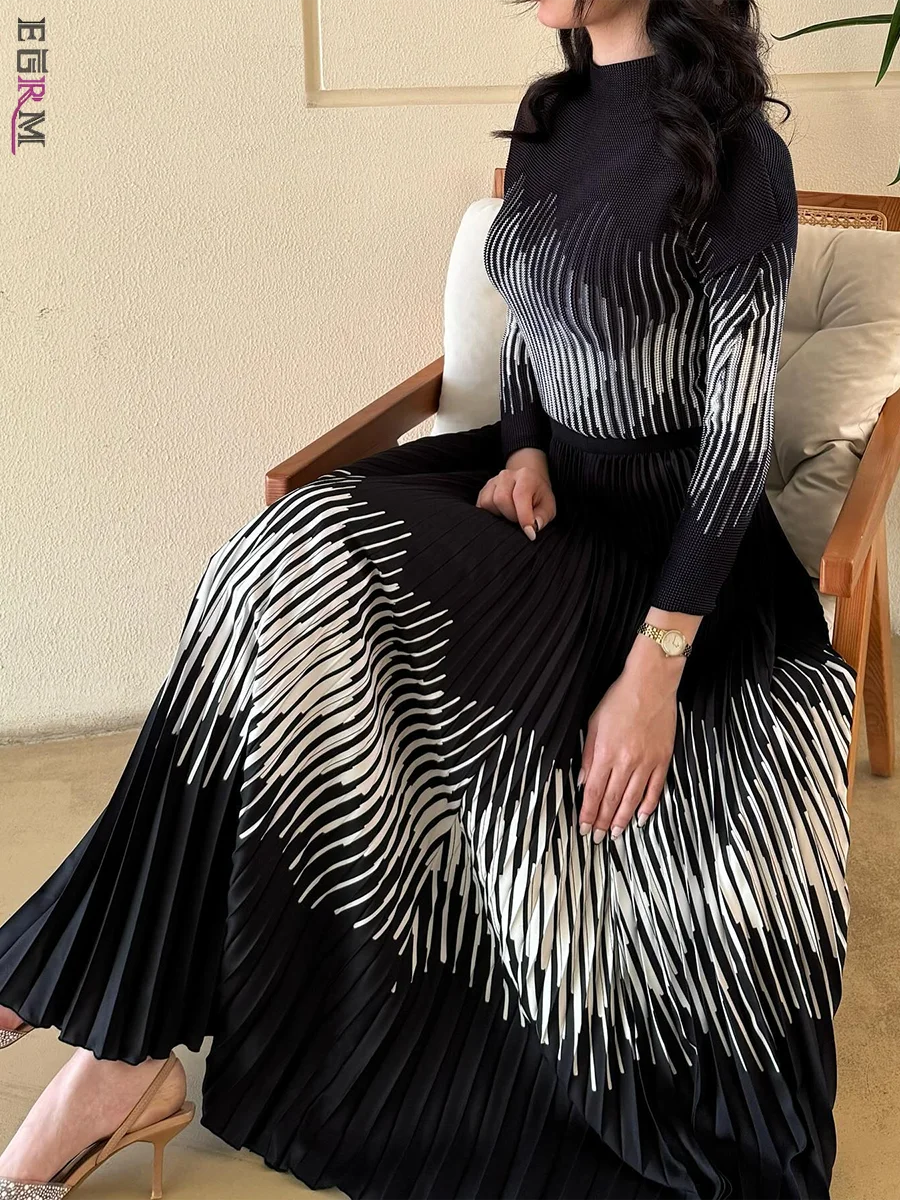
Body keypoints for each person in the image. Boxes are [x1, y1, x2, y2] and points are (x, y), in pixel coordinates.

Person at [0, 1, 857, 1197]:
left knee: (302, 559)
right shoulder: (553, 113)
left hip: (668, 555)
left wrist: (657, 664)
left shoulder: (739, 151)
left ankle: (96, 1028)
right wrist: (523, 448)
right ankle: (112, 1025)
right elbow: (530, 333)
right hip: (549, 502)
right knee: (273, 560)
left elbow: (735, 436)